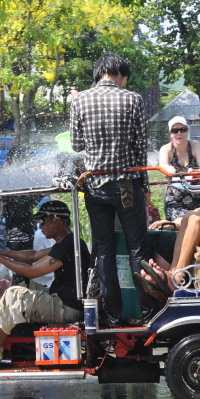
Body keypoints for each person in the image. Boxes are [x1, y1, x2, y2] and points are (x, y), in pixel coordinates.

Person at [69, 53, 148, 325]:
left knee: (103, 250)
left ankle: (113, 315)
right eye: (125, 79)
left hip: (95, 188)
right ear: (120, 74)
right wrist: (145, 186)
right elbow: (140, 148)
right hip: (126, 186)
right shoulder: (133, 99)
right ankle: (146, 310)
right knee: (137, 248)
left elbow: (76, 144)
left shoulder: (79, 100)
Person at [0, 200, 91, 361]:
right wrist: (0, 252)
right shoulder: (68, 242)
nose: (41, 227)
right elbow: (33, 256)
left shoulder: (67, 246)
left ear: (56, 220)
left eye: (43, 222)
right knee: (22, 286)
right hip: (63, 299)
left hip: (67, 307)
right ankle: (6, 331)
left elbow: (32, 271)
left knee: (13, 293)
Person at [158, 116, 200, 223]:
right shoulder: (166, 149)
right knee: (183, 225)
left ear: (187, 131)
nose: (179, 133)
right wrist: (169, 168)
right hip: (175, 203)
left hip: (199, 200)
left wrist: (197, 172)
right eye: (175, 130)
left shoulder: (195, 145)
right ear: (170, 134)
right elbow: (163, 165)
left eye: (183, 129)